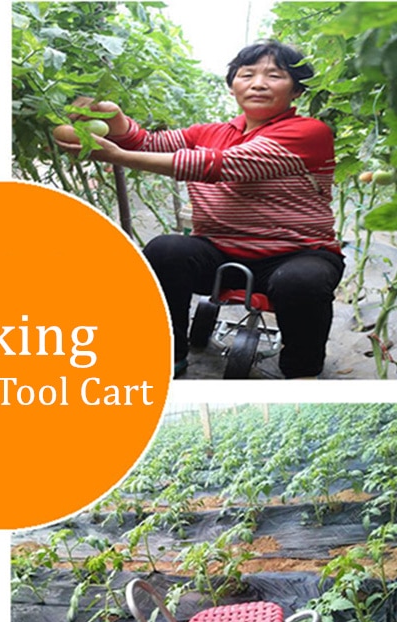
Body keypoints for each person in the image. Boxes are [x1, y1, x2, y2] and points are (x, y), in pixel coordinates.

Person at [57, 40, 345, 379]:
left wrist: (117, 156)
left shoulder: (309, 132)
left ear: (296, 89)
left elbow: (220, 166)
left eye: (274, 75)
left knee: (302, 281)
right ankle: (167, 357)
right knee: (166, 249)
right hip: (219, 253)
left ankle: (302, 372)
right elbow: (147, 142)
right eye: (246, 74)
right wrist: (114, 117)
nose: (257, 83)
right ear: (233, 85)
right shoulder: (209, 133)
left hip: (297, 255)